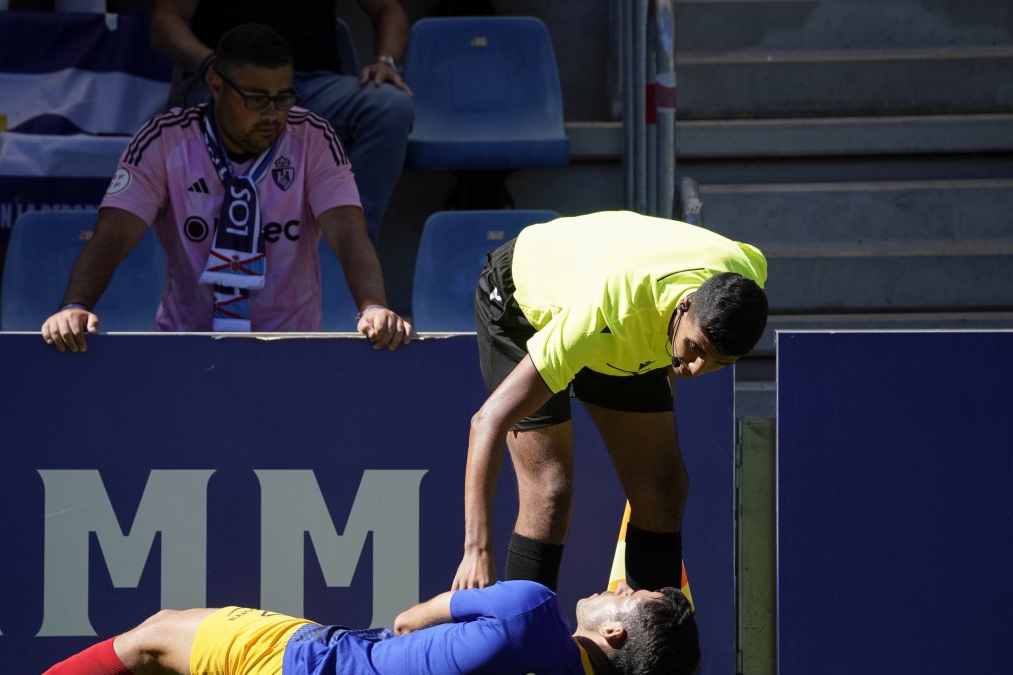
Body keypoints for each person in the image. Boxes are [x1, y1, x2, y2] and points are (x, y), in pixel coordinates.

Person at [41, 24, 411, 353]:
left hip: (293, 349)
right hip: (187, 347)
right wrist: (76, 305)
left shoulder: (313, 137)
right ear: (216, 85)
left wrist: (373, 305)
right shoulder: (164, 140)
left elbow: (349, 234)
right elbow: (112, 236)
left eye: (283, 97)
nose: (272, 114)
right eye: (256, 98)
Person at [453, 211, 768, 594]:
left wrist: (684, 354)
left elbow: (693, 345)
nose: (697, 368)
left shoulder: (748, 273)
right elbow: (487, 421)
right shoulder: (604, 315)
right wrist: (475, 549)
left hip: (624, 306)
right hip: (522, 305)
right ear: (685, 304)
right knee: (549, 493)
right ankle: (526, 647)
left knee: (662, 488)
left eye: (720, 363)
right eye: (696, 349)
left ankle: (649, 646)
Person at [150, 0, 414, 245]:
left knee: (390, 106)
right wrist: (210, 62)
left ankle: (348, 247)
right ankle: (238, 249)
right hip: (231, 80)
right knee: (239, 110)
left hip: (315, 84)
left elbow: (388, 10)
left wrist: (386, 61)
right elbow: (165, 21)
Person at [42, 580, 700, 674]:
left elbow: (408, 620)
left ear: (613, 634)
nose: (616, 585)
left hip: (315, 664)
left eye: (628, 595)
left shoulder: (529, 607)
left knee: (155, 635)